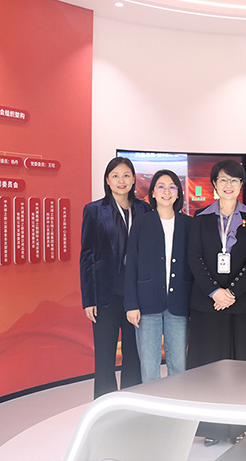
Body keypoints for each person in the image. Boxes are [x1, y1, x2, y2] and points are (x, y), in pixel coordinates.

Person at [187, 159, 246, 445]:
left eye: (234, 180)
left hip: (241, 304)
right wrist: (214, 291)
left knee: (243, 367)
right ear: (214, 185)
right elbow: (194, 257)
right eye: (223, 180)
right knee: (209, 366)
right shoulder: (200, 217)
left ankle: (242, 425)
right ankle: (212, 427)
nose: (228, 185)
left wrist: (230, 291)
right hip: (207, 303)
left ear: (241, 185)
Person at [80, 157, 149, 399]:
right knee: (104, 356)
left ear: (134, 179)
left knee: (134, 354)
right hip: (104, 296)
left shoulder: (144, 209)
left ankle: (132, 403)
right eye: (116, 175)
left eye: (126, 175)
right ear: (107, 180)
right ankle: (105, 406)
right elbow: (87, 256)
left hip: (136, 296)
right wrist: (89, 299)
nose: (122, 180)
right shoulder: (94, 210)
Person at [125, 169, 193, 383]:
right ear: (152, 193)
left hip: (179, 304)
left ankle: (177, 402)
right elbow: (131, 264)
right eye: (161, 187)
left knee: (179, 366)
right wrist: (131, 304)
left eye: (172, 187)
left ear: (178, 192)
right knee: (149, 368)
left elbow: (194, 265)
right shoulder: (141, 223)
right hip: (146, 305)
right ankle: (152, 404)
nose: (166, 192)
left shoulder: (188, 224)